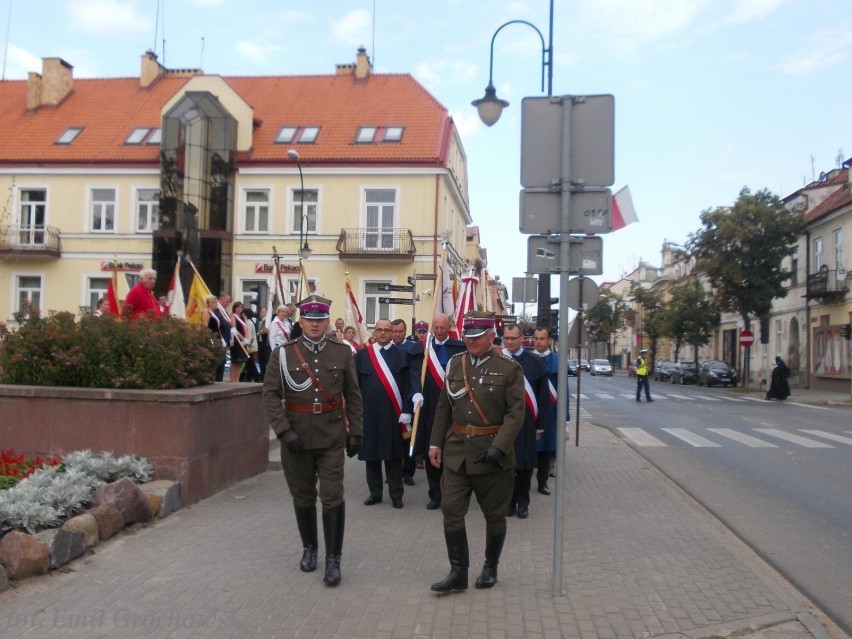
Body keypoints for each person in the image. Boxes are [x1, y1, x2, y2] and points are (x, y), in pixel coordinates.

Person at [262, 294, 364, 587]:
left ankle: (334, 559)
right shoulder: (283, 353)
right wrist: (283, 430)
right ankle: (309, 548)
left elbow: (353, 395)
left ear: (327, 321)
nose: (315, 324)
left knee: (332, 496)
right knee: (303, 496)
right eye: (309, 319)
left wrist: (356, 431)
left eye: (320, 319)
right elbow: (270, 394)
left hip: (332, 436)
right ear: (301, 321)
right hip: (295, 437)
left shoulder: (342, 352)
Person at [428, 312, 525, 592]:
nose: (471, 342)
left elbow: (515, 414)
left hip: (492, 454)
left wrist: (499, 447)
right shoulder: (454, 364)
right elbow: (444, 407)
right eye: (467, 337)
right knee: (452, 511)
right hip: (457, 452)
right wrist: (435, 443)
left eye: (477, 337)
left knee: (494, 516)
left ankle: (491, 565)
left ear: (491, 336)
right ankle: (458, 571)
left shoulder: (508, 368)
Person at [355, 319, 422, 509]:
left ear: (393, 332)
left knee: (393, 458)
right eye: (379, 330)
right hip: (370, 415)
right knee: (372, 457)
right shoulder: (363, 356)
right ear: (374, 332)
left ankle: (396, 495)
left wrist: (408, 411)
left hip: (394, 416)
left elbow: (410, 384)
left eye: (387, 330)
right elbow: (355, 386)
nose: (383, 333)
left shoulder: (403, 355)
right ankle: (375, 493)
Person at [414, 313, 466, 510]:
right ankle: (434, 493)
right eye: (435, 327)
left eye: (443, 327)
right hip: (429, 408)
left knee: (452, 451)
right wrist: (416, 393)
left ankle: (451, 493)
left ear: (449, 326)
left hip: (454, 407)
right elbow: (414, 373)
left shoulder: (459, 348)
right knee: (432, 449)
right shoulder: (423, 349)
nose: (439, 331)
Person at [501, 323, 551, 519]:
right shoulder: (497, 360)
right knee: (506, 466)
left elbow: (543, 396)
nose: (510, 341)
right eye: (506, 338)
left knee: (524, 466)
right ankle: (509, 503)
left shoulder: (534, 362)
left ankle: (523, 502)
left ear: (522, 338)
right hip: (502, 423)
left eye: (513, 338)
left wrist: (540, 426)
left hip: (526, 423)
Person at [392, 319, 424, 487]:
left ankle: (408, 472)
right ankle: (393, 471)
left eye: (400, 331)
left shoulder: (412, 348)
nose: (397, 334)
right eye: (395, 331)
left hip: (408, 397)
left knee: (409, 437)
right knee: (393, 440)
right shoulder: (386, 348)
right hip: (392, 399)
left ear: (406, 331)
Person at [532, 326, 562, 496]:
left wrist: (564, 419)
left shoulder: (557, 360)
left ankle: (542, 483)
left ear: (549, 340)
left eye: (542, 338)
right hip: (532, 411)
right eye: (536, 338)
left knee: (545, 449)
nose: (538, 342)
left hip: (550, 411)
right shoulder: (528, 359)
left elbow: (563, 389)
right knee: (530, 450)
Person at [202, 293, 231, 382]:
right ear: (209, 303)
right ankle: (214, 379)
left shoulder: (214, 313)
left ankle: (219, 379)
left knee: (221, 360)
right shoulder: (206, 312)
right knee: (216, 361)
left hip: (218, 339)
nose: (215, 304)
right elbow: (205, 326)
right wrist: (209, 338)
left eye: (215, 302)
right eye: (213, 302)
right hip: (211, 339)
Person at [228, 301, 249, 383]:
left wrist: (245, 339)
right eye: (238, 307)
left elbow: (245, 329)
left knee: (240, 362)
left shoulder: (243, 317)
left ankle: (237, 379)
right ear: (234, 308)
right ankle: (233, 380)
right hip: (236, 341)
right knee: (235, 361)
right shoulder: (233, 316)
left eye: (241, 307)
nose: (239, 309)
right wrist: (242, 338)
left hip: (243, 341)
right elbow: (234, 329)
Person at [256, 307, 271, 379]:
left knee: (265, 360)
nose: (260, 313)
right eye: (260, 311)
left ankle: (264, 376)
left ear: (266, 313)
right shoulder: (259, 321)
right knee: (260, 360)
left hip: (265, 344)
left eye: (262, 312)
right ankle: (261, 375)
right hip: (259, 343)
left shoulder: (268, 322)